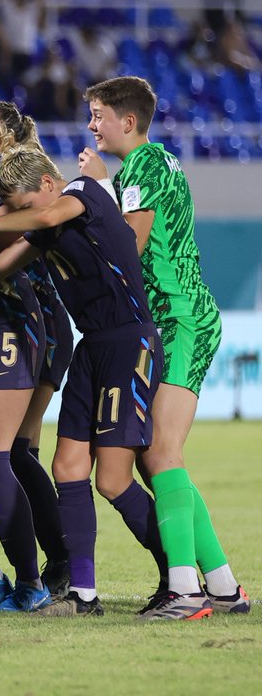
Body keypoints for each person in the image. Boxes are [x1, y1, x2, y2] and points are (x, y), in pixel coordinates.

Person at [78, 76, 250, 619]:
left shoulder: (144, 166)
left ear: (128, 122)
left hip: (180, 318)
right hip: (173, 319)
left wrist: (99, 191)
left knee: (160, 454)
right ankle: (222, 586)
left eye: (99, 115)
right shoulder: (155, 164)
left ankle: (184, 590)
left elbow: (129, 243)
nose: (91, 125)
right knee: (158, 461)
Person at [0, 146, 166, 617]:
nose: (18, 216)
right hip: (92, 348)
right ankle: (83, 595)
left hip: (128, 343)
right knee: (66, 467)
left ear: (47, 183)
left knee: (114, 479)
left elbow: (43, 217)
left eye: (22, 205)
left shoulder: (84, 192)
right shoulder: (47, 225)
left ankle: (178, 573)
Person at [0, 99, 72, 596]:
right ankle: (56, 562)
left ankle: (58, 561)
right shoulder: (9, 177)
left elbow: (7, 252)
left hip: (34, 321)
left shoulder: (4, 179)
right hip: (37, 319)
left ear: (1, 134)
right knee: (15, 450)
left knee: (12, 450)